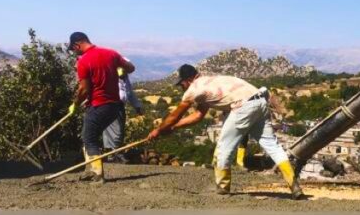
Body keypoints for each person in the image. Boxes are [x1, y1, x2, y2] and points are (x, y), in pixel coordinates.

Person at [148, 65, 305, 199]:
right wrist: (173, 127)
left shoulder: (193, 89)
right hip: (260, 101)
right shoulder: (210, 83)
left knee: (223, 148)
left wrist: (159, 130)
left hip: (242, 107)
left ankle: (223, 189)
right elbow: (197, 116)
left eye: (181, 84)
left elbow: (176, 115)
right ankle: (294, 185)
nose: (182, 87)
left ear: (186, 80)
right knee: (273, 146)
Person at [66, 32, 135, 185]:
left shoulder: (83, 61)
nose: (74, 52)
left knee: (89, 139)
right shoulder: (111, 53)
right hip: (114, 106)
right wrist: (120, 69)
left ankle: (98, 175)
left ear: (77, 45)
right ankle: (90, 170)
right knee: (90, 135)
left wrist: (75, 104)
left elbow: (84, 90)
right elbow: (131, 68)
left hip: (98, 105)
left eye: (73, 49)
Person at [103, 59, 141, 163]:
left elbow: (129, 92)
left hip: (120, 106)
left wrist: (137, 106)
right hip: (110, 105)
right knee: (116, 130)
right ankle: (114, 154)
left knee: (119, 130)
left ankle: (114, 154)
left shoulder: (125, 78)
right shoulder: (110, 76)